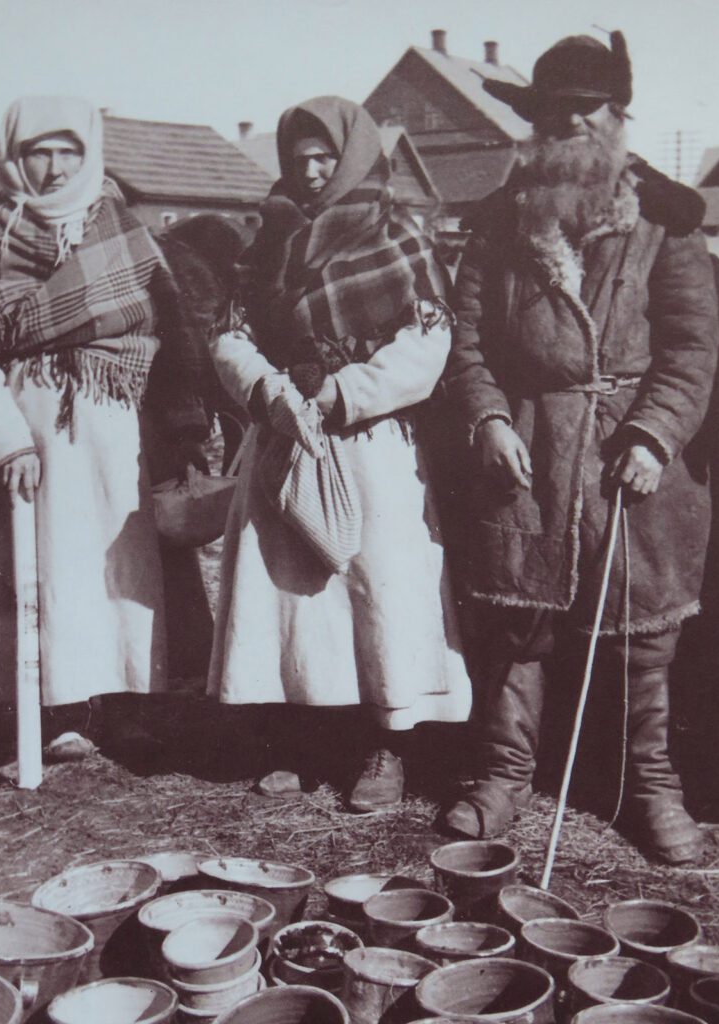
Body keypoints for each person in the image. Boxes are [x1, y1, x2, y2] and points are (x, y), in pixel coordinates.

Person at [441, 33, 719, 863]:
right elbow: (466, 339)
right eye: (552, 112)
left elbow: (693, 346)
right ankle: (501, 778)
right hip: (528, 444)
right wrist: (488, 418)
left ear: (616, 117)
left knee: (643, 635)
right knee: (515, 622)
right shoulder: (501, 217)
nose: (567, 125)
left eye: (583, 110)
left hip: (631, 458)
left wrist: (655, 434)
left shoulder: (663, 225)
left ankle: (654, 790)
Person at [207, 96, 471, 810]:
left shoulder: (399, 235)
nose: (314, 171)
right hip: (286, 439)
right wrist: (269, 393)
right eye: (300, 160)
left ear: (353, 157)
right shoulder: (267, 242)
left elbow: (428, 345)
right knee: (291, 597)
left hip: (370, 441)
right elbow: (229, 337)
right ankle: (302, 738)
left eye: (327, 157)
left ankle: (387, 746)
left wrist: (343, 394)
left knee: (376, 586)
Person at [0, 97, 207, 759]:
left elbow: (171, 322)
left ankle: (126, 702)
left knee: (118, 565)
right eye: (39, 150)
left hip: (114, 420)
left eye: (68, 150)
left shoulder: (118, 223)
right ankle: (55, 707)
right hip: (32, 426)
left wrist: (182, 427)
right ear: (14, 155)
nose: (54, 165)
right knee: (46, 565)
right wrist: (6, 440)